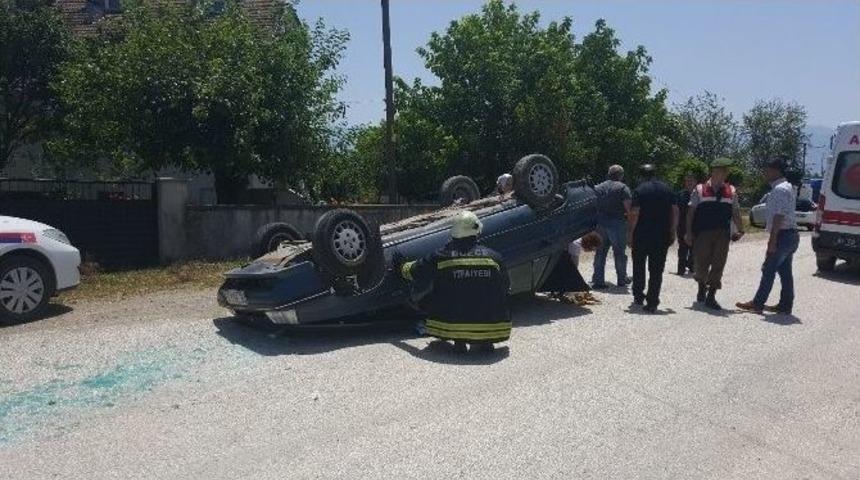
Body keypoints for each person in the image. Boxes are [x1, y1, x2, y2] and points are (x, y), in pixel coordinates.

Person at [398, 210, 511, 353]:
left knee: (434, 289)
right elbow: (506, 286)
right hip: (496, 328)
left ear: (453, 234)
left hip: (452, 327)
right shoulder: (495, 257)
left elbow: (414, 272)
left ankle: (459, 340)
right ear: (477, 231)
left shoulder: (440, 256)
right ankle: (485, 340)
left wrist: (400, 265)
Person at [737, 160, 800, 314]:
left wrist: (772, 240)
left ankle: (758, 303)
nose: (765, 173)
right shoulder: (788, 187)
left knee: (768, 268)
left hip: (783, 235)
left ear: (776, 171)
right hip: (791, 235)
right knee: (785, 272)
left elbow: (779, 216)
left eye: (767, 170)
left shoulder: (779, 189)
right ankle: (785, 305)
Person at [684, 158, 745, 310]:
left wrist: (740, 229)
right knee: (701, 263)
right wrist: (688, 233)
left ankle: (711, 295)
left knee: (719, 264)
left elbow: (736, 212)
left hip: (723, 233)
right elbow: (691, 213)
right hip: (702, 233)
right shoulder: (700, 189)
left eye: (724, 171)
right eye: (719, 171)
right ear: (713, 172)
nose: (722, 174)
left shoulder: (731, 191)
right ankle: (701, 285)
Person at [627, 164, 678, 312]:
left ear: (641, 176)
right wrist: (673, 230)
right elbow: (675, 210)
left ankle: (638, 295)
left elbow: (635, 212)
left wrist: (630, 233)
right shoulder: (667, 189)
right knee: (656, 270)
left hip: (642, 234)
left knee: (639, 265)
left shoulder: (639, 190)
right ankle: (652, 301)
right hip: (662, 234)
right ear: (655, 174)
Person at [592, 164, 633, 288]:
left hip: (600, 224)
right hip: (617, 224)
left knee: (600, 252)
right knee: (619, 253)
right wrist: (631, 226)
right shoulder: (623, 188)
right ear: (620, 175)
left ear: (608, 174)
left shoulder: (598, 187)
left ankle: (598, 281)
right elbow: (628, 208)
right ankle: (622, 279)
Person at [540, 232, 603, 305]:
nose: (593, 250)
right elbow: (574, 265)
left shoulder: (577, 240)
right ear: (589, 243)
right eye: (593, 248)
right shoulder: (576, 245)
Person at [676, 173, 697, 275]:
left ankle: (691, 265)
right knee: (682, 248)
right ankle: (681, 269)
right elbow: (675, 210)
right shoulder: (680, 194)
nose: (689, 183)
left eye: (691, 181)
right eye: (687, 181)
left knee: (694, 248)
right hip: (682, 225)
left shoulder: (698, 195)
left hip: (696, 225)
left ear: (695, 182)